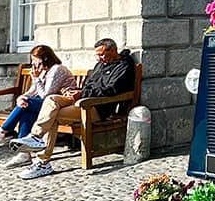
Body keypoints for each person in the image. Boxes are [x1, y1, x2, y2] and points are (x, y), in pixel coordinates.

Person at [11, 37, 136, 180]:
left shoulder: (124, 66)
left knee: (53, 115)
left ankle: (42, 162)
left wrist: (82, 94)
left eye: (102, 54)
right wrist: (73, 91)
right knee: (51, 99)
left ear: (113, 50)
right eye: (97, 54)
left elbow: (111, 90)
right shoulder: (100, 65)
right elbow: (89, 84)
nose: (99, 58)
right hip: (81, 99)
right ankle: (35, 137)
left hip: (95, 108)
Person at [0, 45, 77, 169]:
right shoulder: (43, 71)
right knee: (25, 107)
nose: (32, 63)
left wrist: (36, 79)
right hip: (46, 105)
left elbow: (46, 95)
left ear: (44, 58)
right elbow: (32, 91)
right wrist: (21, 97)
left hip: (59, 104)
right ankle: (23, 153)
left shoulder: (57, 69)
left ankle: (2, 133)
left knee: (27, 104)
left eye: (35, 59)